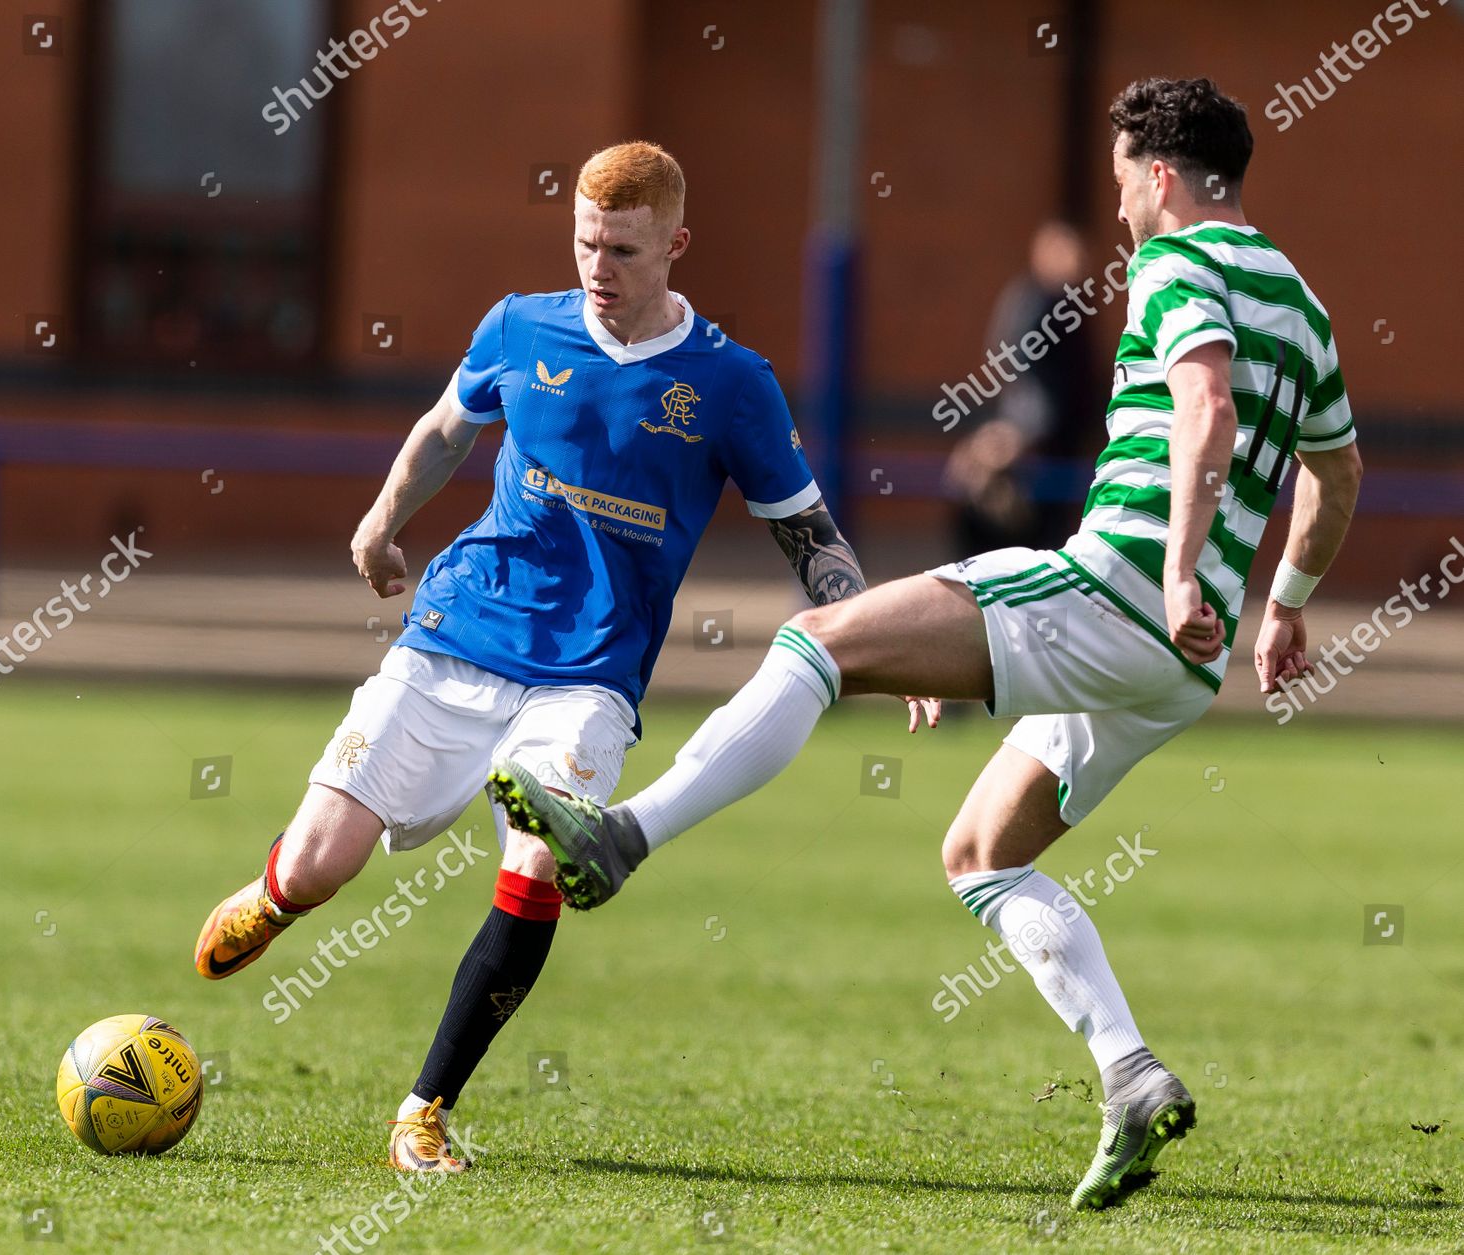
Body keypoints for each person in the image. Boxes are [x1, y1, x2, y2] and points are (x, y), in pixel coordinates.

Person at [489, 78, 1363, 1211]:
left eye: (1120, 188)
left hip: (1115, 595)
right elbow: (1335, 471)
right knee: (984, 852)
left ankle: (622, 836)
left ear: (1159, 177)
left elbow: (1206, 414)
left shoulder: (1178, 264)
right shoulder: (1301, 302)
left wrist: (1181, 564)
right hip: (1183, 663)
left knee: (817, 641)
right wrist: (1284, 601)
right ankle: (1132, 1075)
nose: (1121, 215)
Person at [192, 141, 921, 1171]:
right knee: (321, 865)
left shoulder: (731, 383)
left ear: (676, 244)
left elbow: (808, 532)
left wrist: (882, 636)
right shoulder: (518, 325)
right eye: (586, 242)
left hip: (590, 674)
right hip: (458, 632)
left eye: (622, 248)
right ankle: (275, 895)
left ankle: (424, 1108)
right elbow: (450, 427)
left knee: (540, 861)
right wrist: (381, 519)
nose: (599, 266)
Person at [944, 221, 1097, 555]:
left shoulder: (1067, 305)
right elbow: (1020, 370)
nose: (1077, 260)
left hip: (1061, 438)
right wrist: (1020, 430)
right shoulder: (1039, 303)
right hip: (1042, 437)